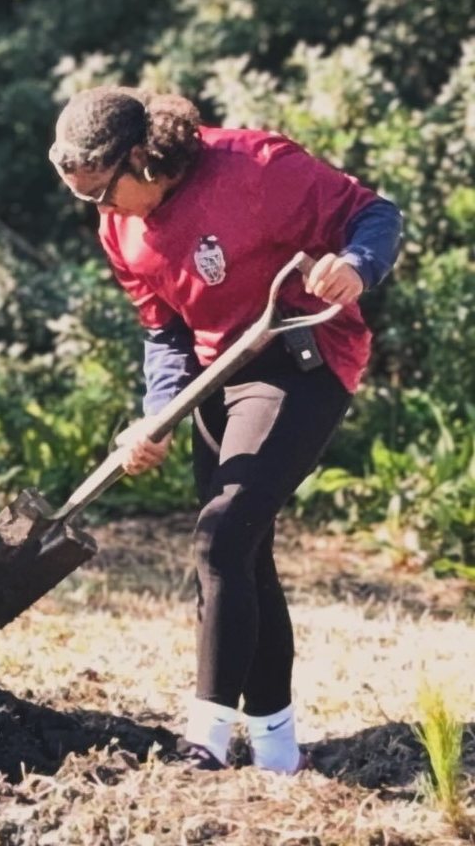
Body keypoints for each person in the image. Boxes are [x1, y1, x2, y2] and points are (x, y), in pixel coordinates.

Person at [49, 86, 401, 772]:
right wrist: (159, 412)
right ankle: (276, 752)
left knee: (219, 537)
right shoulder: (119, 228)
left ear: (145, 160)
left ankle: (204, 741)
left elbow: (374, 213)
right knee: (241, 556)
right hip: (221, 378)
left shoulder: (255, 167)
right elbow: (166, 331)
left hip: (302, 362)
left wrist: (355, 267)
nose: (97, 209)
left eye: (101, 192)